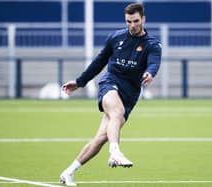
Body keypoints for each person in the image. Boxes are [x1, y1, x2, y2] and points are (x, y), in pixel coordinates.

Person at [60, 3, 162, 186]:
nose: (132, 25)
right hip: (110, 83)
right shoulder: (116, 37)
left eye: (136, 21)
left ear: (143, 19)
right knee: (117, 112)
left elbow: (154, 63)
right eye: (129, 21)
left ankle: (68, 172)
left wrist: (150, 73)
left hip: (130, 94)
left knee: (100, 139)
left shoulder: (153, 45)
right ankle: (115, 152)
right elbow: (99, 62)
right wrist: (79, 82)